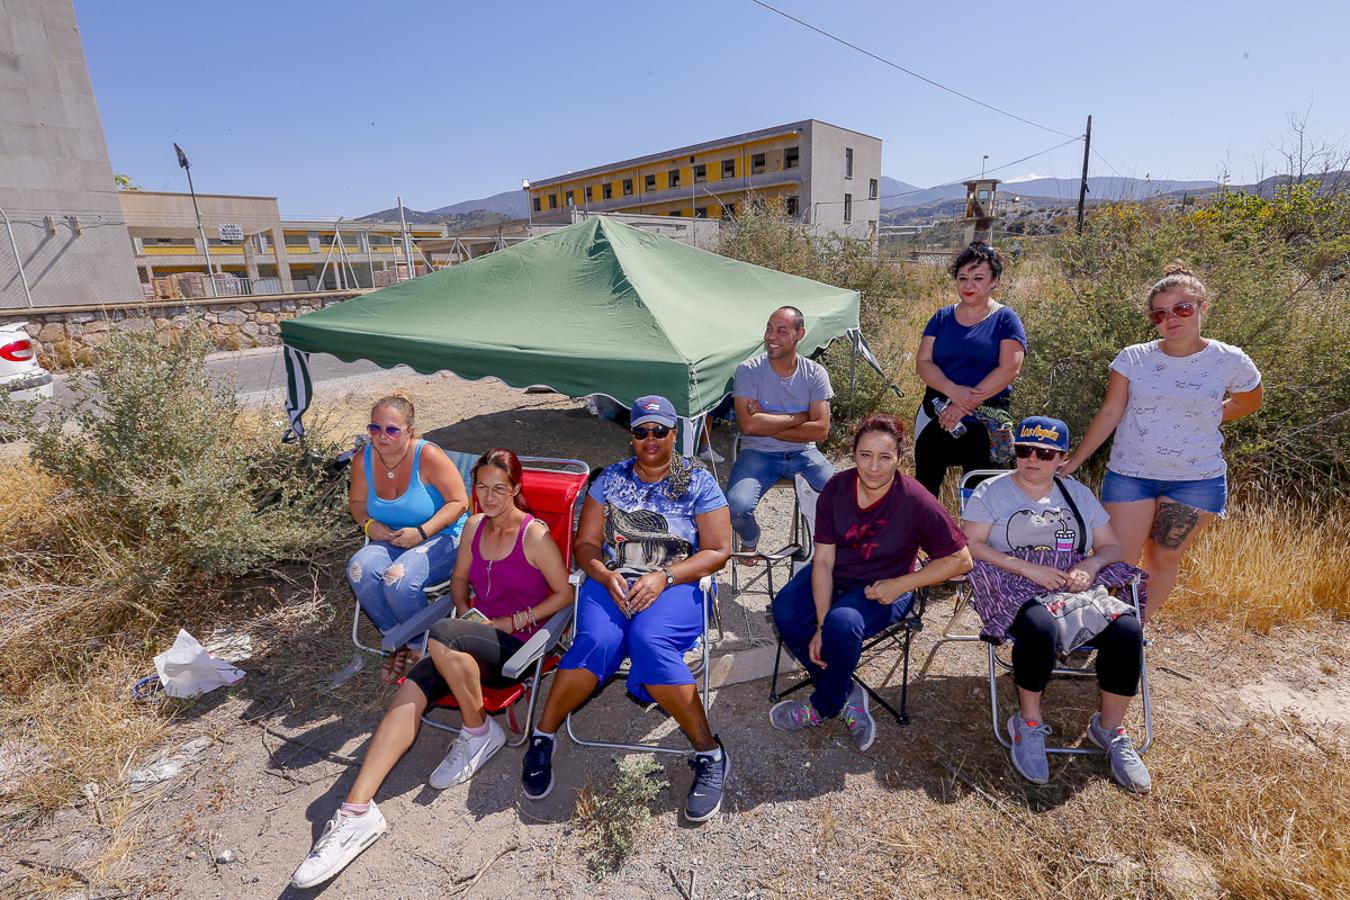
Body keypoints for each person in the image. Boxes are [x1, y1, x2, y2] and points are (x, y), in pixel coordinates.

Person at [292, 449, 573, 889]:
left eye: (500, 488)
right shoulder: (476, 527)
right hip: (465, 643)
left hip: (518, 650)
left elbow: (564, 595)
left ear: (517, 489)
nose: (489, 496)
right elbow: (460, 580)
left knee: (441, 635)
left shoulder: (534, 535)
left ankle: (478, 730)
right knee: (410, 690)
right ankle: (355, 813)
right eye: (481, 486)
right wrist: (464, 612)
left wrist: (507, 622)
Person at [521, 396, 733, 822]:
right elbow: (584, 545)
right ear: (631, 435)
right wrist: (604, 575)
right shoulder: (610, 480)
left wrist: (664, 577)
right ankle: (542, 736)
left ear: (674, 433)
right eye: (641, 431)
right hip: (614, 579)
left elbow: (719, 549)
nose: (650, 439)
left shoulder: (698, 480)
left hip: (677, 581)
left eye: (659, 430)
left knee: (649, 638)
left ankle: (709, 753)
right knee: (596, 639)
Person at [1061, 263, 1263, 620]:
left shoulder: (1229, 360)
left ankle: (1132, 631)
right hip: (1131, 474)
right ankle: (1099, 627)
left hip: (1196, 480)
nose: (1172, 318)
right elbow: (1110, 413)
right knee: (1117, 557)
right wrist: (1075, 460)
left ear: (1203, 307)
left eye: (1182, 308)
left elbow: (1250, 400)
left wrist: (1210, 416)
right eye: (1161, 313)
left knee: (1162, 558)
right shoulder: (1133, 358)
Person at [962, 416, 1151, 792]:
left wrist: (1090, 565)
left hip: (1073, 583)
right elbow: (970, 544)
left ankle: (1109, 730)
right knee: (1039, 627)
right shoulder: (992, 492)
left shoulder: (1076, 493)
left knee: (1127, 629)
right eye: (1024, 450)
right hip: (1012, 581)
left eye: (1045, 453)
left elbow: (1111, 546)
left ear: (1061, 457)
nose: (1033, 459)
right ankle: (1028, 724)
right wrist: (1027, 569)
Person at [769, 414, 972, 750]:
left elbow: (961, 559)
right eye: (865, 455)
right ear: (854, 454)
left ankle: (823, 705)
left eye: (884, 457)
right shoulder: (837, 487)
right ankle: (845, 691)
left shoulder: (914, 499)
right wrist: (819, 624)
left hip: (885, 589)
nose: (874, 467)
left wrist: (904, 584)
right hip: (835, 575)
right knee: (787, 611)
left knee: (844, 622)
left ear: (900, 458)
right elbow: (823, 560)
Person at [348, 392, 470, 682]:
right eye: (374, 428)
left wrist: (422, 532)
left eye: (392, 429)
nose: (381, 436)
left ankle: (427, 645)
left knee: (398, 580)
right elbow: (356, 504)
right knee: (358, 570)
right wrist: (368, 525)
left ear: (409, 432)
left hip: (444, 535)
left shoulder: (427, 455)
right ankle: (400, 640)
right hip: (392, 539)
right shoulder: (364, 459)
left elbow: (459, 502)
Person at [914, 243, 1027, 497]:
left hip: (986, 424)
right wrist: (952, 391)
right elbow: (923, 362)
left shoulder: (1006, 319)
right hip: (937, 416)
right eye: (962, 278)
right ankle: (930, 537)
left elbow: (1010, 367)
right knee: (924, 492)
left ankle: (974, 538)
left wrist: (963, 404)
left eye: (978, 278)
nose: (968, 285)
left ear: (994, 281)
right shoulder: (941, 317)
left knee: (982, 497)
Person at [727, 306, 834, 559]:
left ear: (800, 334)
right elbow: (749, 426)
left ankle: (832, 555)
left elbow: (820, 431)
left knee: (844, 497)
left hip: (804, 453)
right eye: (769, 328)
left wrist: (769, 421)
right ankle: (751, 538)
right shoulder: (748, 370)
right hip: (758, 453)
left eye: (781, 331)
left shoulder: (815, 374)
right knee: (736, 509)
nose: (770, 336)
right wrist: (800, 418)